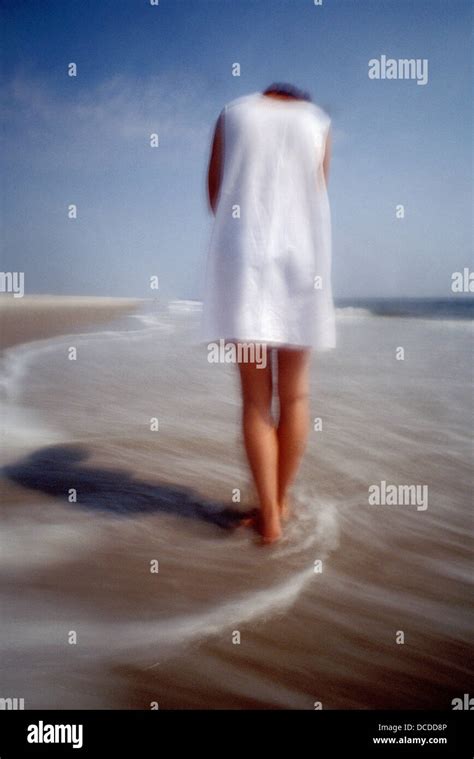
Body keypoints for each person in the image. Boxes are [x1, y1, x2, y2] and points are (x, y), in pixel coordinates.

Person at [202, 82, 335, 544]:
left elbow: (216, 195)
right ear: (299, 99)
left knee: (257, 399)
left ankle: (271, 522)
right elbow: (317, 192)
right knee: (296, 396)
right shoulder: (317, 121)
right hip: (304, 260)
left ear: (266, 95)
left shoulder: (231, 111)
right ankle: (277, 503)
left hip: (246, 259)